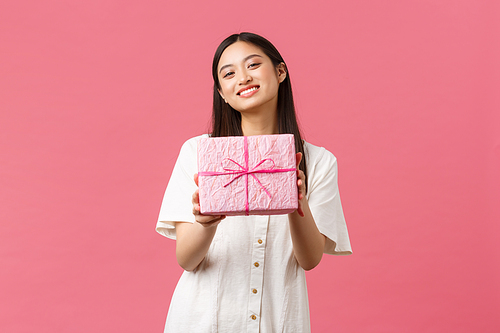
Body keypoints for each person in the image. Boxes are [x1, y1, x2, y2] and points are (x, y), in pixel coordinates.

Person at [156, 32, 352, 333]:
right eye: (229, 73)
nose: (243, 78)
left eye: (253, 65)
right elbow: (187, 259)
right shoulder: (198, 153)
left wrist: (295, 199)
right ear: (221, 92)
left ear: (280, 71)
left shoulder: (318, 161)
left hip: (278, 320)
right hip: (202, 320)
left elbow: (310, 259)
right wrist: (206, 223)